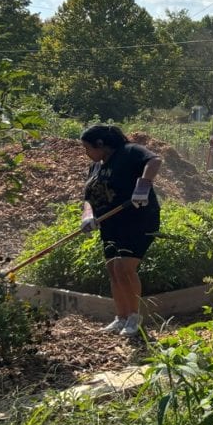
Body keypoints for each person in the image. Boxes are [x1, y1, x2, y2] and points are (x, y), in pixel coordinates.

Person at [79, 124, 162, 337]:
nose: (86, 153)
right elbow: (89, 197)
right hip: (110, 223)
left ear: (100, 144)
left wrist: (143, 186)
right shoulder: (96, 167)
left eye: (88, 148)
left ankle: (134, 318)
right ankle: (121, 317)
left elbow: (154, 161)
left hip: (138, 219)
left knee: (125, 268)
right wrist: (87, 215)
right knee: (114, 270)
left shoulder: (130, 151)